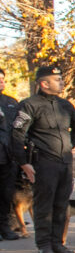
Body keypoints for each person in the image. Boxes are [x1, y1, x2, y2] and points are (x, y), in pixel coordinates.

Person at [10, 64, 75, 253]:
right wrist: (24, 163)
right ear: (44, 83)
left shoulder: (65, 105)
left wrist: (68, 147)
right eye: (57, 80)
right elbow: (16, 136)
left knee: (61, 204)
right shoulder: (29, 105)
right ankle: (44, 245)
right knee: (44, 206)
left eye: (61, 79)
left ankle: (57, 243)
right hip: (43, 164)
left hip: (64, 163)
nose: (61, 82)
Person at [0, 68, 21, 240]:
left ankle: (4, 227)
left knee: (6, 194)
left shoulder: (12, 103)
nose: (1, 82)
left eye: (2, 79)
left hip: (8, 157)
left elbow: (20, 127)